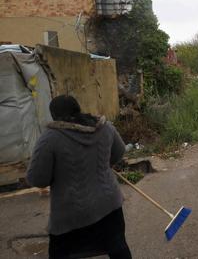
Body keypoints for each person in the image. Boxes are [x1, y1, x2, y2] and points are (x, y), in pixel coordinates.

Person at [26, 95, 132, 259]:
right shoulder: (105, 128)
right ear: (78, 108)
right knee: (118, 248)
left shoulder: (50, 139)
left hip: (71, 214)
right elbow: (119, 152)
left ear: (54, 115)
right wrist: (100, 163)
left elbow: (37, 179)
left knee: (59, 254)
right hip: (109, 206)